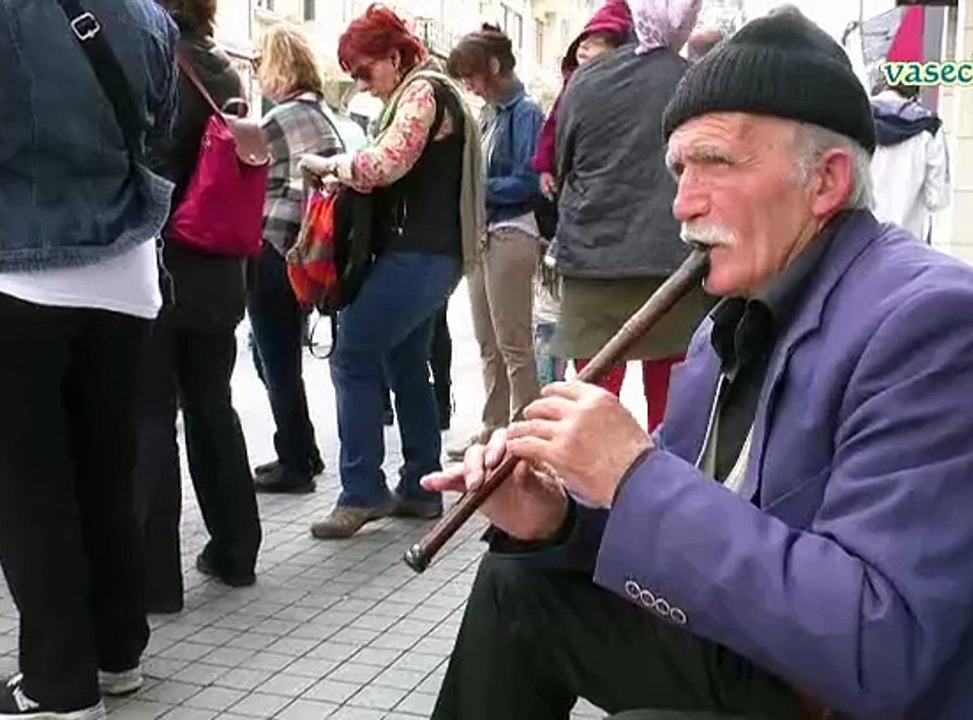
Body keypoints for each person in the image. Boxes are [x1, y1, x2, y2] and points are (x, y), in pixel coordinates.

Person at [423, 7, 973, 719]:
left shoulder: (934, 324)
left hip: (890, 697)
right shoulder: (722, 333)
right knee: (519, 586)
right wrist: (559, 520)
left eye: (716, 163)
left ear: (824, 182)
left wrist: (634, 474)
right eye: (678, 168)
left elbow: (878, 643)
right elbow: (698, 549)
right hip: (775, 670)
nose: (683, 204)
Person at [0, 0, 180, 717]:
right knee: (104, 468)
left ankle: (58, 683)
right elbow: (156, 129)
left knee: (31, 485)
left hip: (2, 266)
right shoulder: (147, 14)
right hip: (125, 272)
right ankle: (117, 654)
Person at [299, 4, 484, 540]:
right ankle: (422, 487)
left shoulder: (423, 92)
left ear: (396, 56)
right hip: (432, 252)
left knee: (353, 356)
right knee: (407, 362)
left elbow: (385, 165)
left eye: (365, 70)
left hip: (418, 253)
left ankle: (362, 491)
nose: (362, 84)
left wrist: (329, 165)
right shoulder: (430, 90)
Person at [135, 0, 262, 613]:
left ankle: (155, 581)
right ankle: (236, 550)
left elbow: (150, 162)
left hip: (161, 264)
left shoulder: (156, 56)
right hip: (219, 268)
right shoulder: (221, 66)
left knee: (151, 416)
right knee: (213, 404)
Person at [548, 0, 713, 434]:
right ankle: (664, 487)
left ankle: (591, 494)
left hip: (592, 256)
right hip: (671, 259)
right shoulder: (696, 82)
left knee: (594, 396)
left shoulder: (585, 79)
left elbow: (564, 162)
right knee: (670, 402)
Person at [445, 25, 547, 455]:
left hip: (512, 231)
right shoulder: (488, 113)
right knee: (489, 342)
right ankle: (494, 425)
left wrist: (474, 188)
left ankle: (524, 432)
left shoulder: (525, 112)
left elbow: (527, 181)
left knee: (513, 343)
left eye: (470, 74)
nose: (468, 84)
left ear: (493, 66)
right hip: (485, 234)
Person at [249, 25, 339, 494]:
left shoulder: (280, 118)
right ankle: (302, 449)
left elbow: (244, 176)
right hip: (305, 254)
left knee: (274, 359)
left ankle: (295, 461)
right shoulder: (324, 116)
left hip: (273, 248)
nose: (256, 72)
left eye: (259, 62)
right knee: (280, 357)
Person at [530, 0, 633, 200]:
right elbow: (552, 127)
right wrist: (545, 167)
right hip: (573, 182)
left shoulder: (622, 91)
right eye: (584, 39)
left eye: (598, 42)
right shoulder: (571, 88)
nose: (584, 47)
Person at [868, 82, 950, 242]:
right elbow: (937, 198)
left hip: (858, 244)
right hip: (907, 244)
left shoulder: (855, 119)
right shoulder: (929, 127)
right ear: (915, 94)